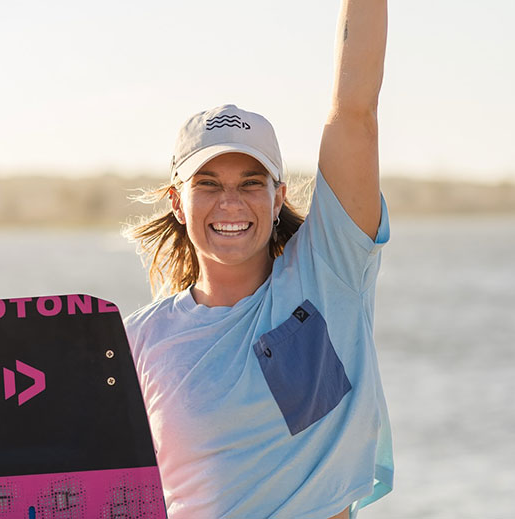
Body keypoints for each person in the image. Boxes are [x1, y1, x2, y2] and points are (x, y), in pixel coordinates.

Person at [122, 1, 392, 518]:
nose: (231, 202)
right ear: (178, 202)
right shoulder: (137, 342)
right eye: (208, 184)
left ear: (277, 197)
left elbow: (355, 112)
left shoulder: (328, 276)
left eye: (251, 183)